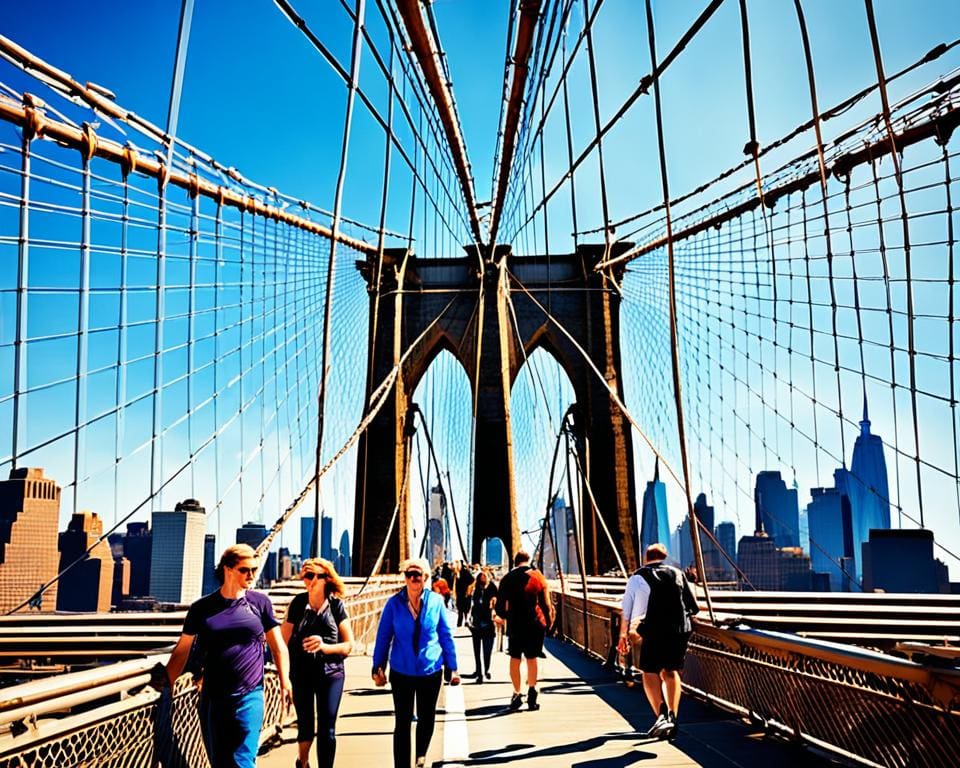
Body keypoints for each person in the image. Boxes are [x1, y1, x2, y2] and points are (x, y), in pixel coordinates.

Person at [165, 544, 292, 768]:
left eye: (254, 569)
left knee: (243, 760)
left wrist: (285, 681)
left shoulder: (260, 603)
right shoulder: (201, 608)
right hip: (213, 698)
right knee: (220, 762)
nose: (252, 575)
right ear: (228, 569)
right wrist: (166, 685)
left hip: (250, 694)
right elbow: (182, 650)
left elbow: (278, 646)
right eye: (245, 570)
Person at [372, 557, 460, 768]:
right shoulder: (393, 604)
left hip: (429, 670)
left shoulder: (436, 602)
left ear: (425, 578)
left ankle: (420, 755)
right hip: (401, 671)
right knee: (402, 723)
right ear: (404, 578)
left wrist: (452, 666)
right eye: (409, 574)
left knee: (426, 718)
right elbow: (383, 636)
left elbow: (445, 635)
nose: (413, 578)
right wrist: (378, 666)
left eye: (417, 575)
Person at [618, 542, 700, 740]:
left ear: (646, 557)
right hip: (680, 629)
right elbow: (693, 607)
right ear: (665, 557)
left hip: (654, 629)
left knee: (649, 671)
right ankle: (673, 716)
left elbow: (627, 610)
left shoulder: (638, 576)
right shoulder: (678, 573)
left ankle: (661, 715)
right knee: (671, 671)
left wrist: (623, 634)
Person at [282, 558, 354, 768]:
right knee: (305, 725)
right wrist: (282, 675)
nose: (311, 580)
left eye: (317, 576)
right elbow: (282, 643)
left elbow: (349, 645)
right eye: (307, 576)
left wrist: (324, 647)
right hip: (301, 673)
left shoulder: (336, 605)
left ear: (326, 579)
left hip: (331, 673)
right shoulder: (297, 604)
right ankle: (302, 761)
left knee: (327, 728)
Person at [495, 549, 554, 711]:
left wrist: (507, 615)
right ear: (528, 560)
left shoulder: (507, 579)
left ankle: (516, 693)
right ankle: (532, 693)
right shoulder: (537, 576)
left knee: (515, 658)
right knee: (532, 658)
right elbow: (546, 605)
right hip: (534, 624)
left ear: (515, 562)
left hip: (515, 624)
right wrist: (549, 624)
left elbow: (499, 608)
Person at [467, 569, 498, 683]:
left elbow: (498, 603)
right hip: (476, 624)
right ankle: (479, 673)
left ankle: (486, 670)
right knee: (477, 651)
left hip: (488, 624)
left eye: (484, 584)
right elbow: (471, 605)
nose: (482, 586)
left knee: (487, 652)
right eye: (481, 584)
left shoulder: (493, 589)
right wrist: (469, 620)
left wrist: (494, 606)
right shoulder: (475, 589)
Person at [454, 561, 475, 627]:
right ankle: (461, 622)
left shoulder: (465, 572)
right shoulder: (456, 574)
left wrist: (469, 590)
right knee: (460, 610)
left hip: (465, 595)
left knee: (465, 609)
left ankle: (465, 621)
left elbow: (472, 580)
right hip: (460, 595)